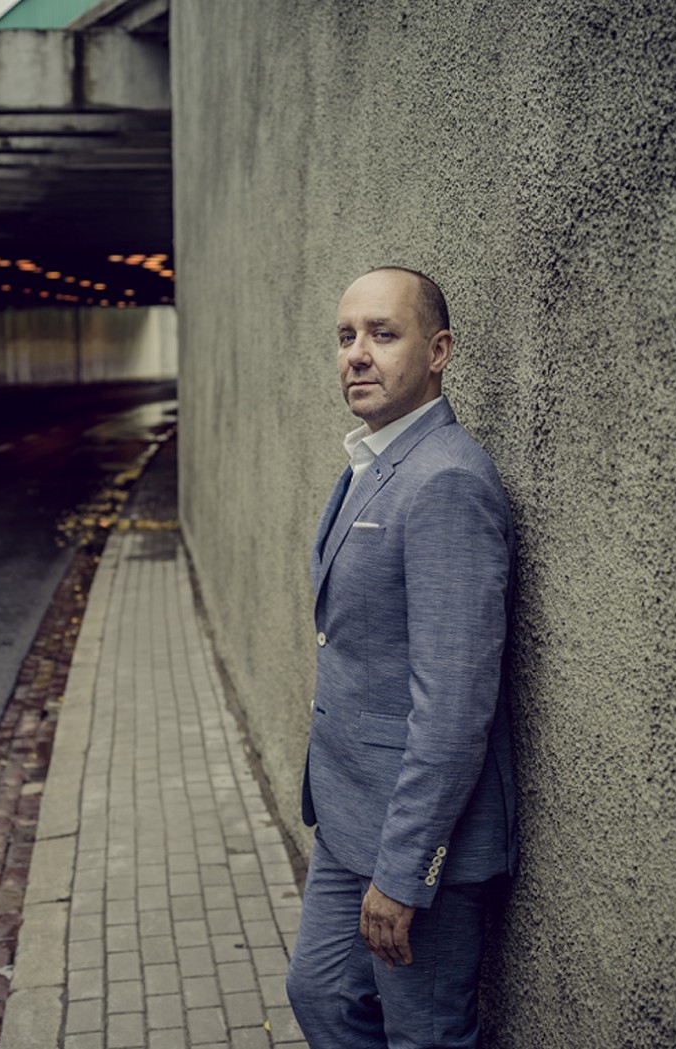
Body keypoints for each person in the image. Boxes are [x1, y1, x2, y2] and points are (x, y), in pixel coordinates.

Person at [285, 267, 517, 1048]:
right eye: (346, 336)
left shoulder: (447, 479)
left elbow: (454, 706)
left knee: (426, 1034)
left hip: (417, 839)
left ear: (439, 351)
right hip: (350, 815)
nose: (357, 353)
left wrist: (403, 870)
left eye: (383, 334)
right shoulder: (374, 461)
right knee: (320, 993)